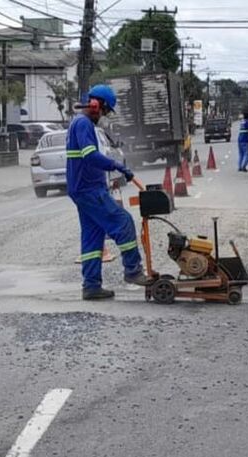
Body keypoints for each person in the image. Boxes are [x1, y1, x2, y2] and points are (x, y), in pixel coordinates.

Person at [66, 84, 152, 300]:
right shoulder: (83, 124)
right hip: (88, 189)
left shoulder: (80, 123)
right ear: (97, 105)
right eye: (105, 111)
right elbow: (90, 156)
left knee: (93, 238)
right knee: (123, 222)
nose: (104, 116)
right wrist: (117, 166)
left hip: (84, 188)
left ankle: (91, 286)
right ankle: (133, 271)